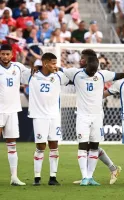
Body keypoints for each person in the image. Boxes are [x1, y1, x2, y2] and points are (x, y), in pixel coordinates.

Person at [62, 55, 124, 186]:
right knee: (82, 146)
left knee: (94, 147)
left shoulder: (102, 75)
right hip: (82, 116)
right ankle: (85, 177)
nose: (93, 73)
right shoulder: (75, 73)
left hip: (98, 116)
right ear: (85, 65)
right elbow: (57, 69)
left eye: (95, 70)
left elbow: (119, 75)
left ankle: (90, 177)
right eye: (91, 70)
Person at [21, 53, 69, 186]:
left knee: (54, 146)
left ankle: (53, 177)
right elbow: (14, 72)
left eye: (55, 63)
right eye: (53, 63)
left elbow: (75, 77)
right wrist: (34, 66)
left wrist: (61, 69)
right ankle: (37, 177)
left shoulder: (59, 75)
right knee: (41, 146)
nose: (55, 65)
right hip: (39, 116)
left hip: (54, 116)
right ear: (45, 63)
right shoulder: (32, 74)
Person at [0, 44, 30, 186]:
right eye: (2, 54)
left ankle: (14, 177)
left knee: (12, 145)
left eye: (7, 54)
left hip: (13, 110)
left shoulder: (18, 67)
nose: (5, 56)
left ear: (12, 54)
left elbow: (31, 76)